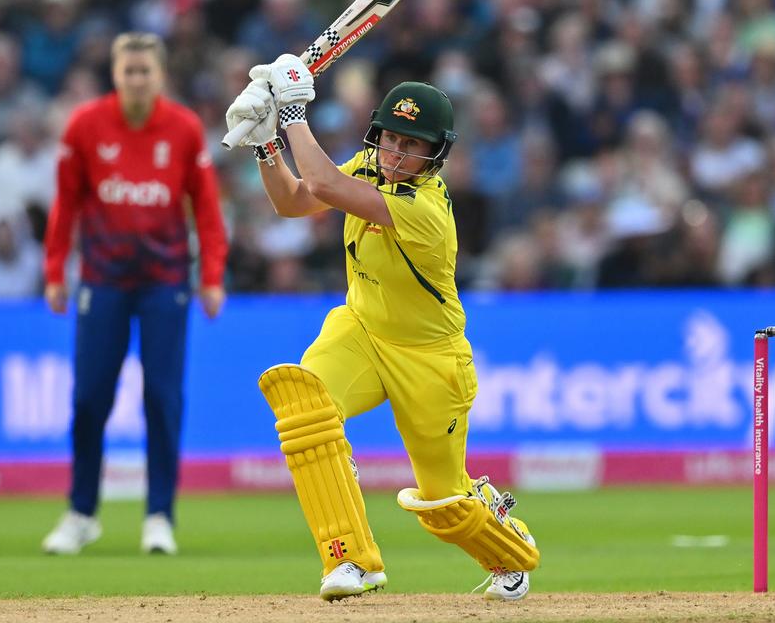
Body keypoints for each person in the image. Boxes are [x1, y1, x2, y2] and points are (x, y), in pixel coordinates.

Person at [223, 55, 540, 601]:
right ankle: (350, 561)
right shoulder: (369, 165)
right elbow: (294, 200)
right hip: (361, 329)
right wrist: (265, 144)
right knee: (304, 405)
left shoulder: (426, 212)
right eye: (391, 139)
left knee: (443, 505)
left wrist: (293, 112)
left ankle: (508, 549)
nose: (396, 153)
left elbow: (320, 184)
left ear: (434, 154)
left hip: (430, 360)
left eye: (412, 145)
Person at [41, 32, 228, 556]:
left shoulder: (185, 128)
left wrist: (211, 274)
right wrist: (55, 268)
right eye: (129, 71)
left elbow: (207, 210)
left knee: (162, 398)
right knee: (88, 398)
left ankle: (159, 516)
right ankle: (81, 513)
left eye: (146, 71)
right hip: (101, 278)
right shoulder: (85, 126)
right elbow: (66, 204)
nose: (137, 80)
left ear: (160, 76)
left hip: (165, 280)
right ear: (115, 75)